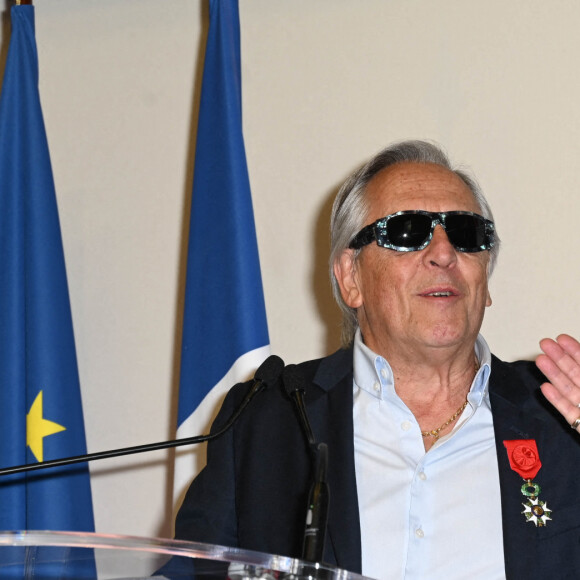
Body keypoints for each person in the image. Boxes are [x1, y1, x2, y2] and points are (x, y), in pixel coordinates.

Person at [175, 140, 580, 580]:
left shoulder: (561, 415)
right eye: (406, 232)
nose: (443, 253)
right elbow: (190, 573)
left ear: (485, 277)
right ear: (351, 278)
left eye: (466, 234)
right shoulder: (268, 420)